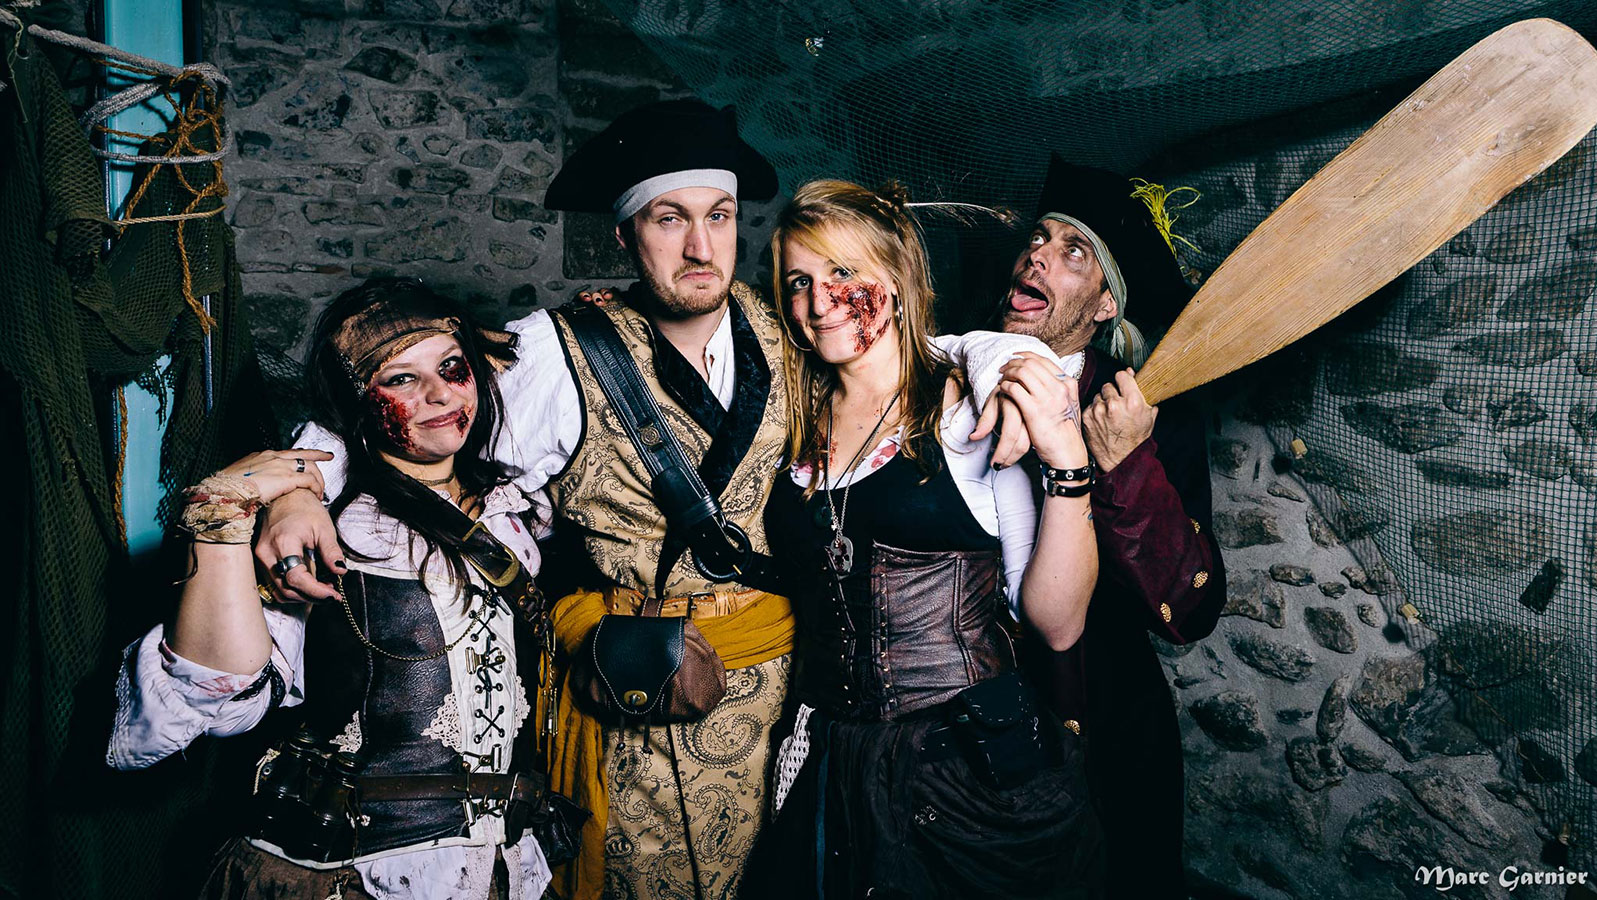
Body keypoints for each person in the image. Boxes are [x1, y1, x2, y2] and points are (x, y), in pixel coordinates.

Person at [255, 100, 1047, 900]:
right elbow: (409, 406)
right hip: (645, 700)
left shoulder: (792, 325)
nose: (701, 247)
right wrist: (300, 484)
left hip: (789, 707)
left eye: (719, 216)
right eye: (670, 219)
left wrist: (1005, 356)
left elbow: (909, 347)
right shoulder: (555, 353)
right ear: (626, 236)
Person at [107, 278, 565, 899]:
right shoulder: (331, 531)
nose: (438, 394)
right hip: (360, 873)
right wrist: (224, 516)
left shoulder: (515, 511)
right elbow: (211, 690)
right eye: (400, 379)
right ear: (358, 401)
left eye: (451, 368)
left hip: (504, 866)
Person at [751, 180, 1105, 898]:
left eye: (844, 272)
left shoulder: (968, 410)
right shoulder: (792, 413)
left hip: (965, 768)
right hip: (830, 759)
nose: (820, 302)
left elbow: (1057, 621)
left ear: (895, 278)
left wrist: (1069, 462)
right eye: (799, 282)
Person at [992, 155, 1227, 898]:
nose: (1037, 254)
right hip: (971, 719)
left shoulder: (1152, 415)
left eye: (1074, 251)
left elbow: (1194, 610)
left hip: (1109, 727)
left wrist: (1124, 463)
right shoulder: (947, 385)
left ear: (1103, 306)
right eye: (1038, 238)